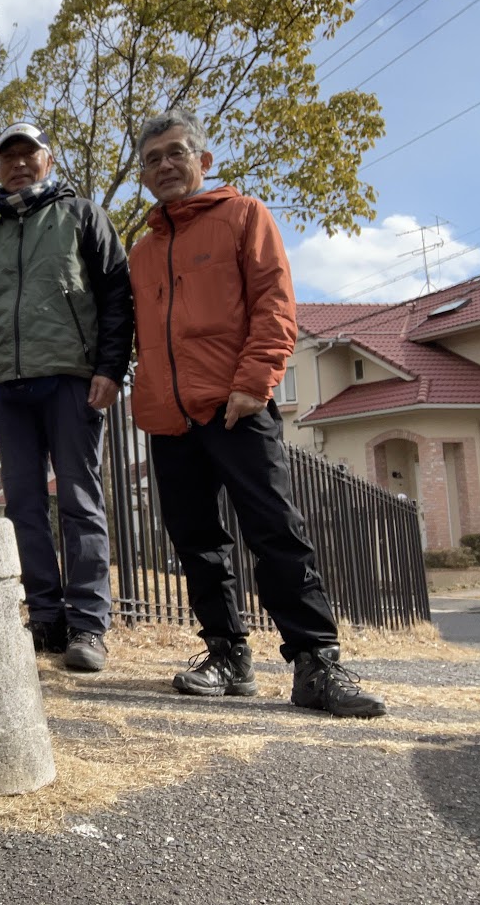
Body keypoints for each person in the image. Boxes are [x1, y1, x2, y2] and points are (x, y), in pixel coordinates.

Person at [127, 108, 386, 718]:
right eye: (152, 159)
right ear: (143, 174)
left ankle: (316, 662)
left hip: (238, 406)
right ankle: (226, 656)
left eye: (175, 153)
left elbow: (275, 305)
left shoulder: (245, 216)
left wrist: (255, 382)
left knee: (275, 530)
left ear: (203, 160)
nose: (164, 165)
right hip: (170, 417)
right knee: (196, 542)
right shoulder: (140, 252)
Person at [0, 121, 134, 672]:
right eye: (7, 156)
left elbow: (116, 295)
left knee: (80, 501)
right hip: (8, 387)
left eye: (27, 154)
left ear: (47, 159)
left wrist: (111, 368)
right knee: (24, 506)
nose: (18, 164)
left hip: (71, 378)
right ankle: (45, 620)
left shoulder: (82, 215)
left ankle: (88, 625)